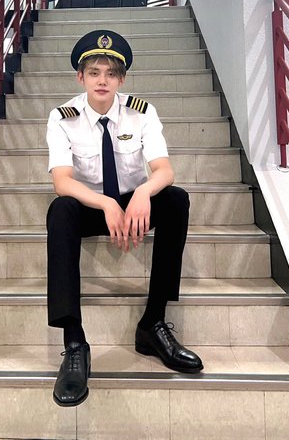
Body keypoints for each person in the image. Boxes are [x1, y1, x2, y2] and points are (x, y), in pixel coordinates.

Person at [46, 30, 203, 407]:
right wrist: (105, 203)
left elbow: (164, 170)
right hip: (91, 205)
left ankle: (153, 323)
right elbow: (62, 181)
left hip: (134, 206)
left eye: (111, 73)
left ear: (122, 79)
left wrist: (144, 193)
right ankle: (74, 343)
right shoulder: (62, 117)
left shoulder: (142, 112)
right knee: (60, 210)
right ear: (80, 77)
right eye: (94, 72)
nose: (102, 80)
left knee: (176, 200)